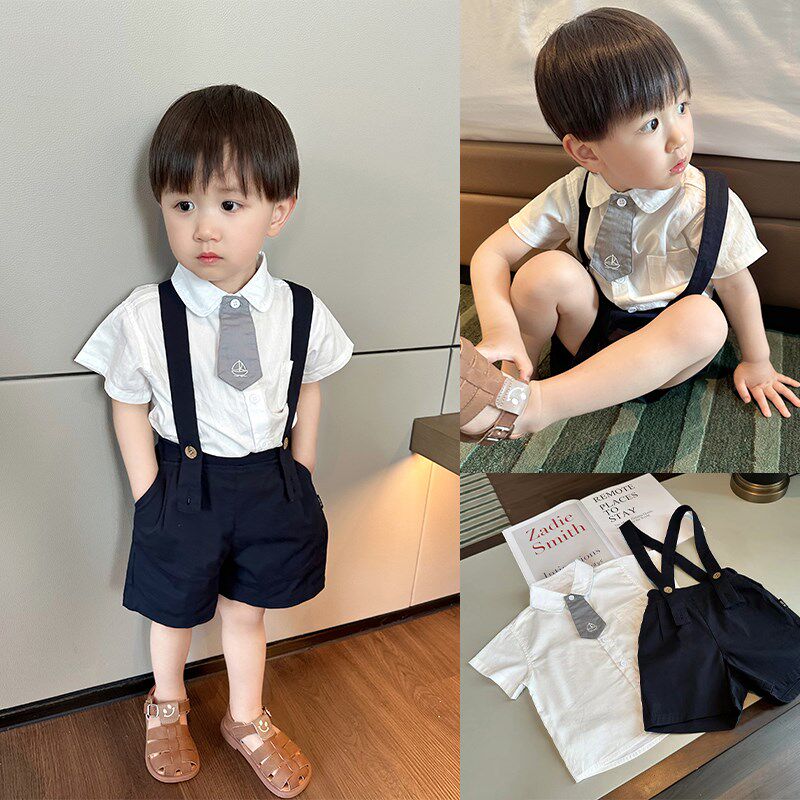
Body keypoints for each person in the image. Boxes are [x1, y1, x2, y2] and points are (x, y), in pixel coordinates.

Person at [75, 84, 353, 796]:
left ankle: (246, 717)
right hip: (183, 484)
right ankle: (166, 703)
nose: (204, 228)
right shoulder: (146, 314)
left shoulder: (300, 310)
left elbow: (310, 386)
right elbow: (126, 400)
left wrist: (301, 468)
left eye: (229, 205)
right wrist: (149, 492)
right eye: (182, 205)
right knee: (172, 610)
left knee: (246, 611)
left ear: (278, 212)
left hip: (269, 481)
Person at [461, 7, 799, 445]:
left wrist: (757, 360)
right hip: (591, 331)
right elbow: (491, 253)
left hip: (665, 356)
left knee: (705, 319)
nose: (679, 137)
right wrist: (500, 329)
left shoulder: (703, 202)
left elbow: (737, 286)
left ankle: (536, 406)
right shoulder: (576, 189)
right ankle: (513, 378)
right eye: (652, 124)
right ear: (587, 153)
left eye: (682, 107)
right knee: (542, 271)